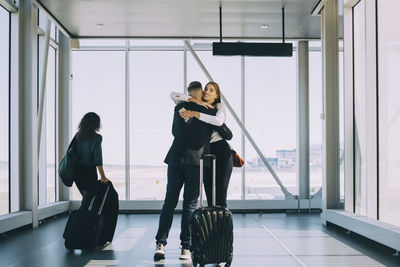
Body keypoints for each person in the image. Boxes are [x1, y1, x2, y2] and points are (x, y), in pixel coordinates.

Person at [154, 81, 219, 261]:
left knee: (169, 202)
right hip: (195, 162)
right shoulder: (211, 112)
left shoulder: (180, 107)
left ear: (190, 93)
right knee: (189, 206)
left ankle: (160, 244)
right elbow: (221, 127)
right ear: (201, 94)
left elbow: (175, 131)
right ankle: (186, 248)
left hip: (175, 158)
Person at [173, 82, 233, 209]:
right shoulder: (196, 105)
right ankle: (212, 228)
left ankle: (223, 228)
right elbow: (174, 95)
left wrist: (195, 114)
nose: (207, 91)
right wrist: (196, 101)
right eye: (206, 89)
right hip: (205, 152)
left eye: (211, 90)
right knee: (210, 193)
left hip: (220, 150)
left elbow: (218, 121)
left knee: (220, 194)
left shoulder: (218, 107)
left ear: (216, 95)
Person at [74, 112, 109, 210]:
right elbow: (98, 159)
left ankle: (81, 221)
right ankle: (81, 221)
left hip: (77, 171)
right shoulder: (97, 138)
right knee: (87, 200)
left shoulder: (78, 136)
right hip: (89, 171)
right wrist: (103, 176)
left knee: (86, 198)